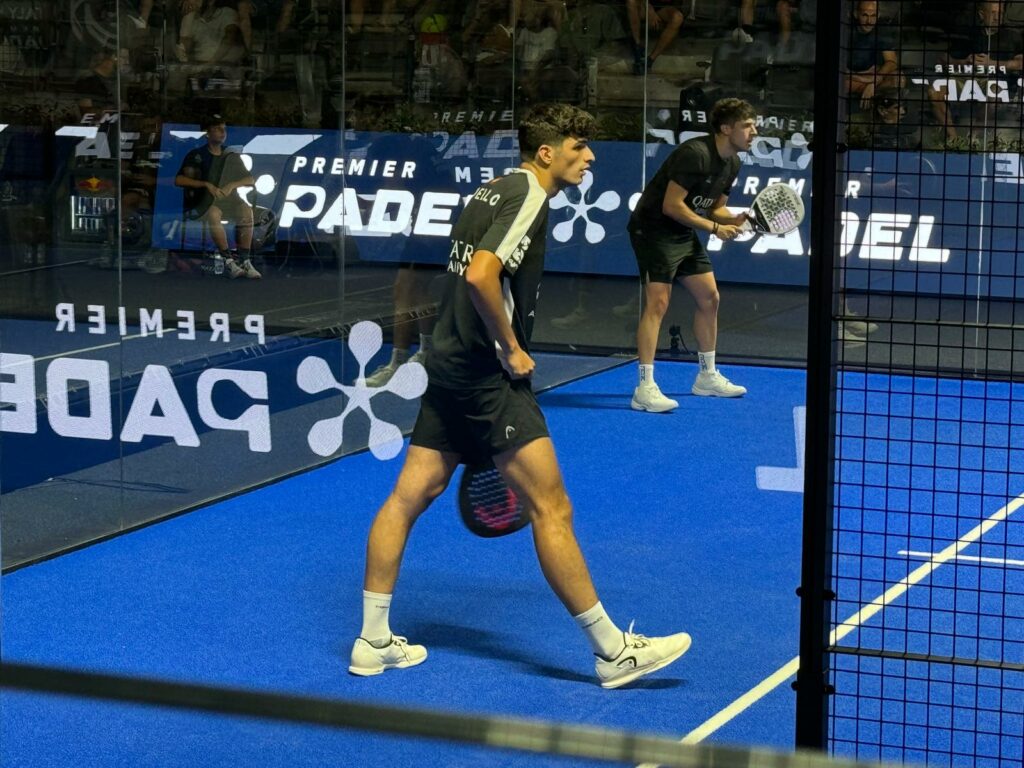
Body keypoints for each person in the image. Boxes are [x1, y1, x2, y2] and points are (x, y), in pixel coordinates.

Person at [349, 104, 692, 689]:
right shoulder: (530, 196)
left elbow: (465, 274)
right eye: (579, 147)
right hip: (487, 376)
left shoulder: (491, 190)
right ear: (546, 153)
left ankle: (372, 640)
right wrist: (510, 348)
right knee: (551, 508)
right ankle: (613, 652)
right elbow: (481, 274)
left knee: (406, 498)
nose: (589, 157)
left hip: (448, 363)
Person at [627, 97, 756, 413]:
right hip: (653, 228)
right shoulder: (694, 154)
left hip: (682, 231)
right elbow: (671, 206)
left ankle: (707, 377)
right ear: (726, 129)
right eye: (747, 126)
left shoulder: (733, 163)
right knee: (658, 302)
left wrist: (733, 219)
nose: (754, 132)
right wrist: (715, 228)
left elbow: (715, 208)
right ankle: (644, 388)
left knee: (710, 298)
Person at [174, 114, 261, 279]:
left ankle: (245, 260)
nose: (222, 132)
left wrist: (231, 185)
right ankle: (229, 261)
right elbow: (179, 180)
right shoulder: (197, 154)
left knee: (246, 211)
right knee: (214, 214)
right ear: (207, 133)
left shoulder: (231, 155)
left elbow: (250, 179)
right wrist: (206, 184)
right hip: (205, 202)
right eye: (217, 129)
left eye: (224, 129)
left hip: (230, 201)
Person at [626, 0, 685, 75]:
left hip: (664, 8)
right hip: (644, 4)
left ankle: (650, 60)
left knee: (678, 18)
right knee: (631, 2)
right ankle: (637, 46)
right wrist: (648, 6)